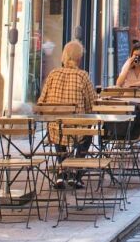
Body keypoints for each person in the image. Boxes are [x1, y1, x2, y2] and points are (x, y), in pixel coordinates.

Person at [37, 39, 96, 188]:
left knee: (57, 125)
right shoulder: (83, 76)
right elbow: (92, 105)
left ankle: (61, 172)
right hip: (77, 131)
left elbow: (41, 102)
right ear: (79, 58)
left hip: (56, 130)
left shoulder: (52, 74)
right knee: (89, 130)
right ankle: (76, 173)